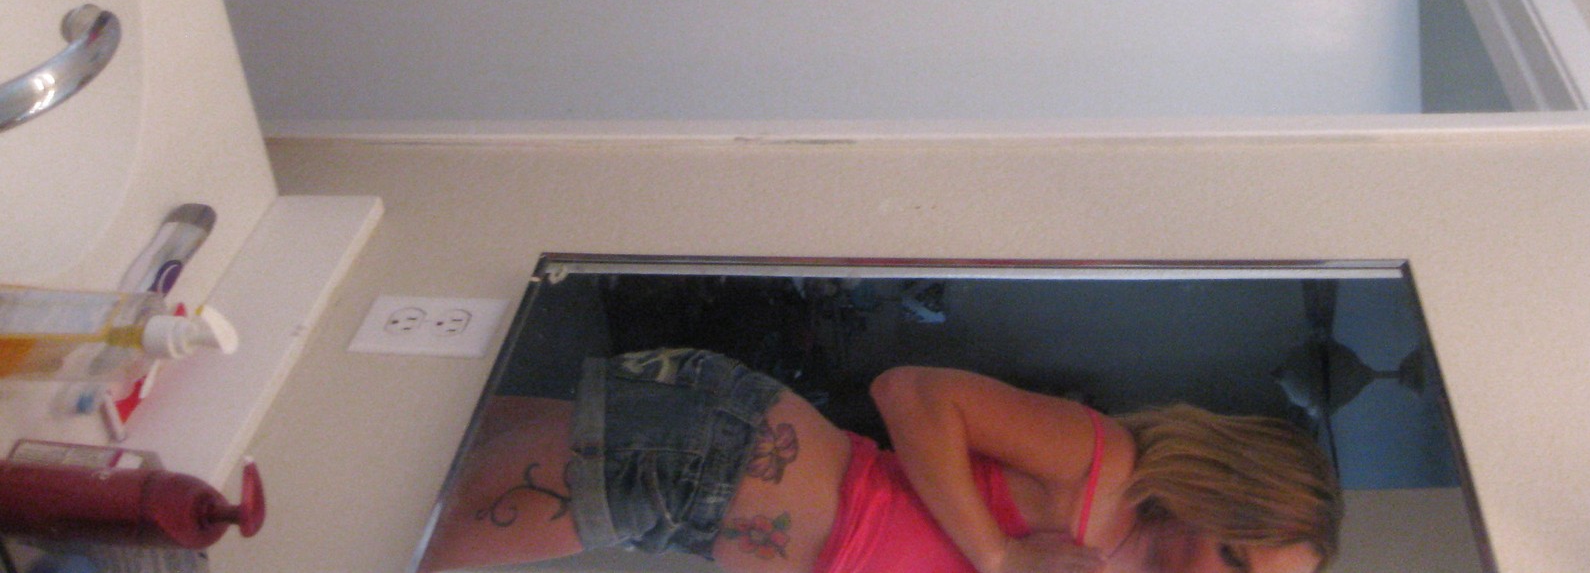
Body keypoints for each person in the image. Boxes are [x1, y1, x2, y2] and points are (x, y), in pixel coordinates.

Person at [415, 348, 1342, 573]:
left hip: (703, 507)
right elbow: (912, 391)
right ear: (1225, 493)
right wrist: (1001, 553)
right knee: (399, 526)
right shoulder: (1101, 461)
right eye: (1237, 559)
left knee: (420, 439)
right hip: (719, 457)